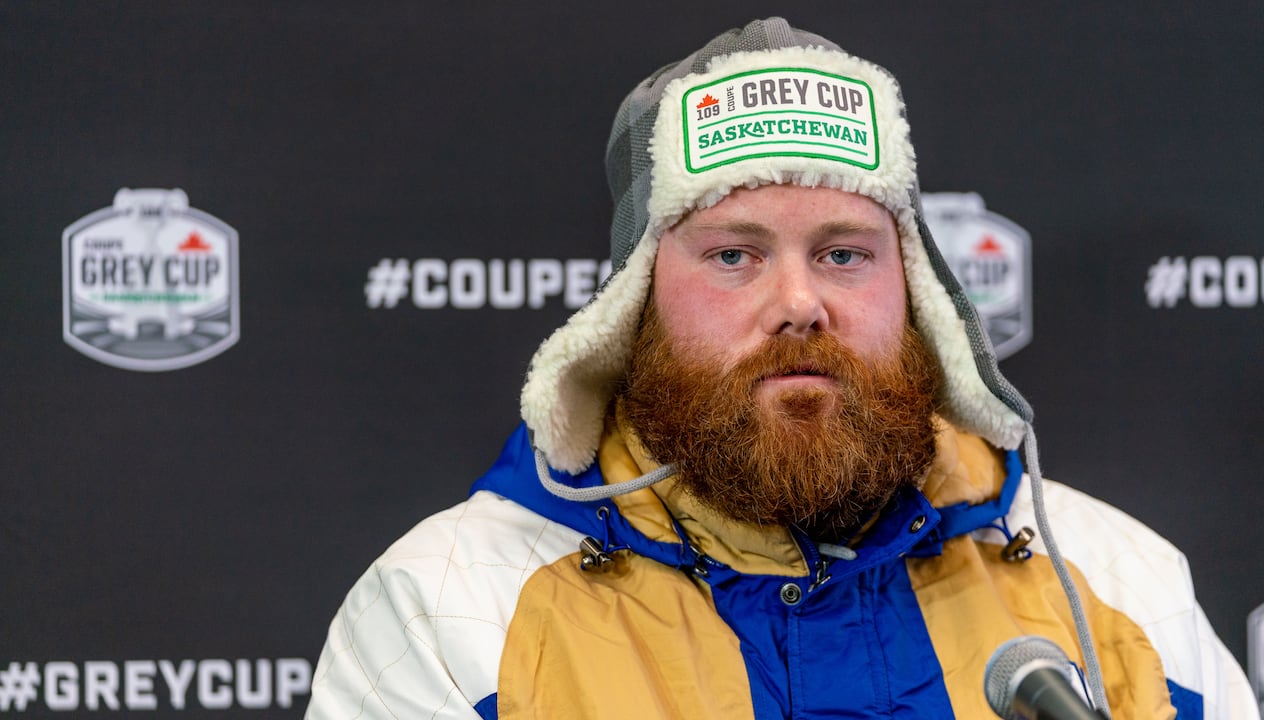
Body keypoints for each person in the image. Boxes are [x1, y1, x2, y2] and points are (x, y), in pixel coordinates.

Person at [306, 18, 1256, 719]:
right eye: (734, 256)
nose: (800, 301)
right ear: (632, 307)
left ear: (917, 295)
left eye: (845, 252)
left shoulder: (1120, 584)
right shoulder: (448, 606)